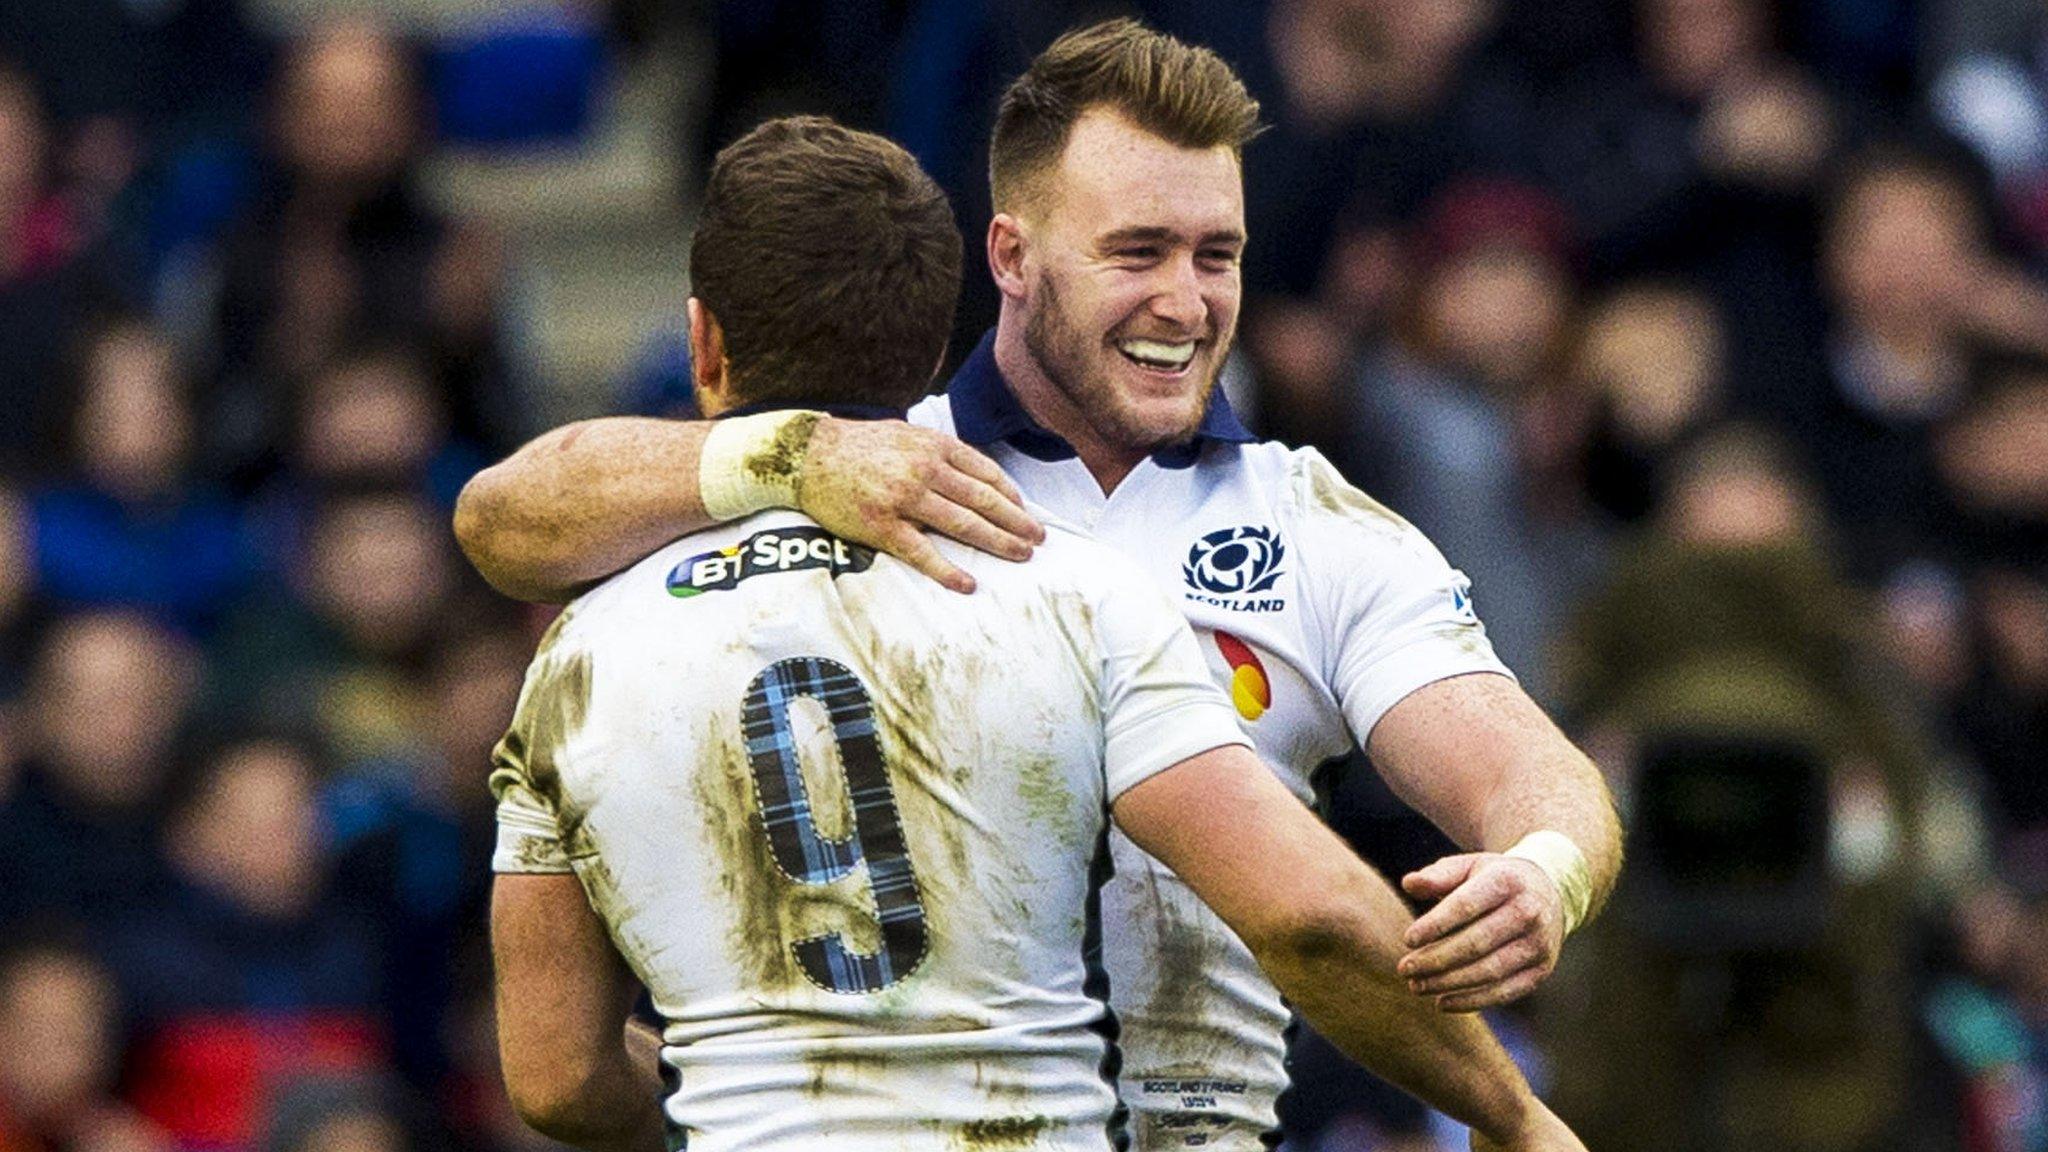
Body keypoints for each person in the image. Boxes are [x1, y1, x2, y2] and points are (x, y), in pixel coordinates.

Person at [457, 21, 1623, 1149]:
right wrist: (798, 456)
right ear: (1009, 256)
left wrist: (1541, 871)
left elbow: (1525, 772)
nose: (1185, 301)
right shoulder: (866, 468)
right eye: (1136, 252)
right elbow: (502, 517)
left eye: (1215, 255)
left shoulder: (1313, 527)